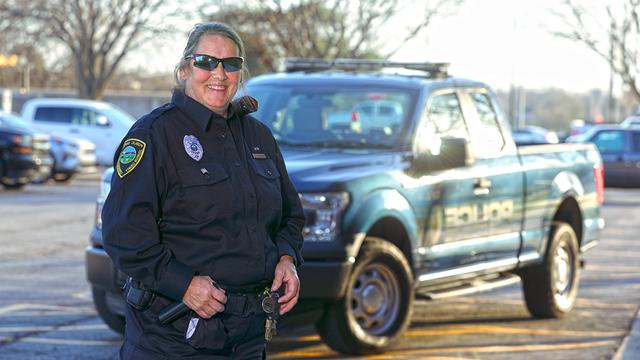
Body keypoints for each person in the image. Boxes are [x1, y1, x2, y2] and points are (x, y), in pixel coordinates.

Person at [101, 22, 305, 359]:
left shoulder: (258, 137)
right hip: (173, 338)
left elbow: (290, 217)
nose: (219, 74)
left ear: (241, 73)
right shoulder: (153, 135)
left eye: (231, 64)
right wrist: (182, 284)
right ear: (184, 69)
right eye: (206, 62)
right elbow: (124, 234)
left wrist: (287, 258)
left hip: (249, 336)